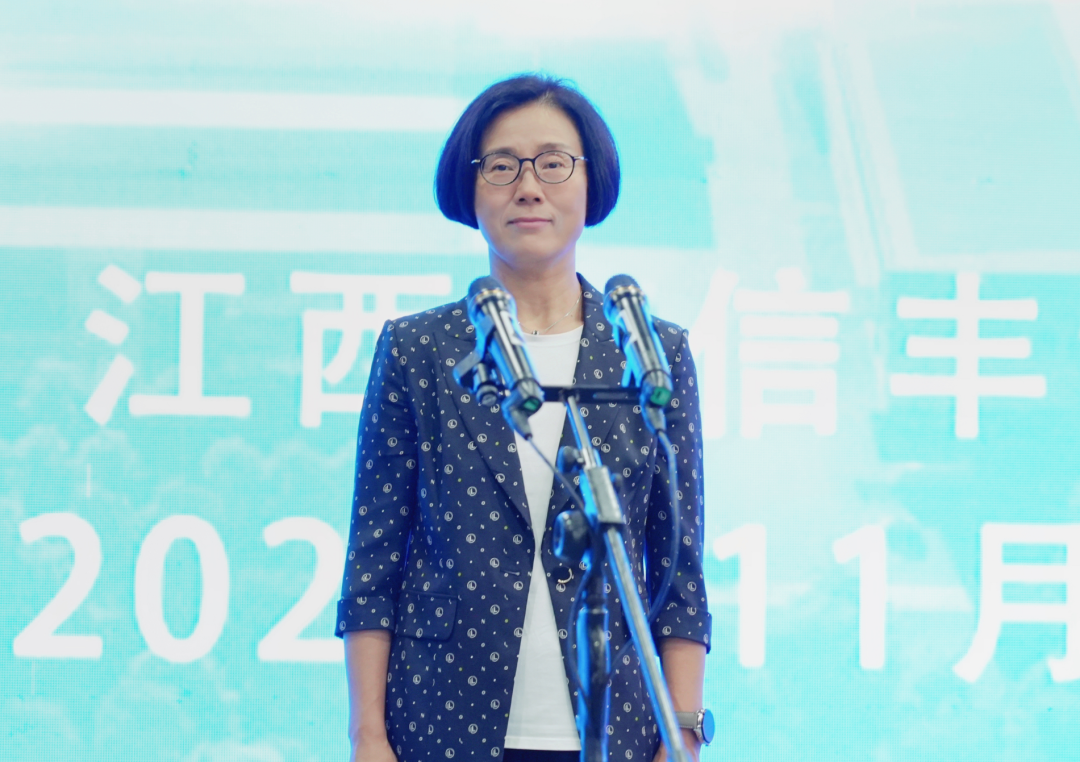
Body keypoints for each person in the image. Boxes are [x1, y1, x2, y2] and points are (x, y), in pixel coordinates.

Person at [336, 73, 711, 762]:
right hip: (442, 725)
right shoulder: (418, 350)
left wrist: (681, 735)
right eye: (502, 166)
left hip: (618, 729)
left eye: (553, 163)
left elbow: (678, 571)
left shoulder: (652, 355)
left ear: (592, 182)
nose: (529, 187)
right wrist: (368, 734)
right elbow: (373, 562)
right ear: (470, 187)